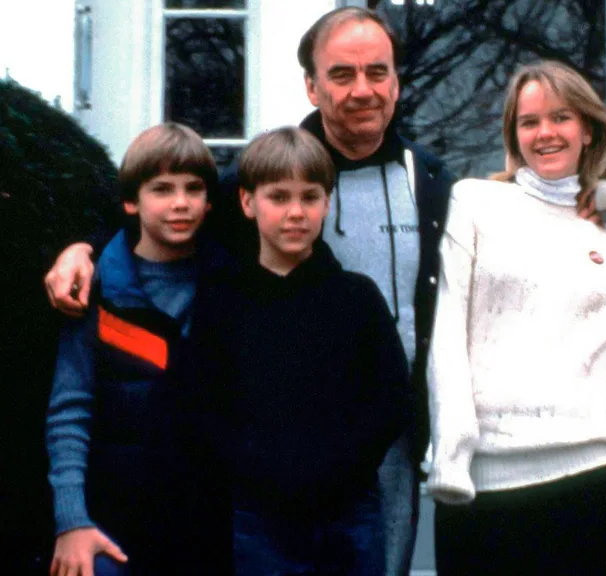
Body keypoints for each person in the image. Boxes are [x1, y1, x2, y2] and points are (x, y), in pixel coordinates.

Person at [43, 8, 455, 574]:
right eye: (341, 74)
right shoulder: (265, 174)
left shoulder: (430, 182)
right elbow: (162, 217)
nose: (363, 89)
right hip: (260, 491)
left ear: (396, 81)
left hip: (378, 458)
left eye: (377, 72)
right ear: (311, 85)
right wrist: (83, 248)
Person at [426, 60, 606, 576]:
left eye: (561, 117)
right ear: (514, 135)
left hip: (596, 480)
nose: (545, 133)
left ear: (587, 129)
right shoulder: (476, 202)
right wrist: (451, 457)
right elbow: (448, 333)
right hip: (489, 486)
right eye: (529, 121)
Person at [183, 126, 412, 575]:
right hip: (258, 518)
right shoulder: (223, 301)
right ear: (248, 203)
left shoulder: (357, 298)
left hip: (350, 514)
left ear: (327, 203)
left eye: (309, 197)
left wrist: (338, 470)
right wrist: (258, 470)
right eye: (279, 197)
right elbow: (202, 405)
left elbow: (390, 400)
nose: (295, 213)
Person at [45, 123, 227, 576]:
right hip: (115, 525)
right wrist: (72, 521)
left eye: (193, 188)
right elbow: (70, 410)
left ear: (209, 200)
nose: (180, 202)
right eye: (161, 189)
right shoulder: (96, 288)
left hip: (212, 530)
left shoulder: (233, 283)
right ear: (131, 201)